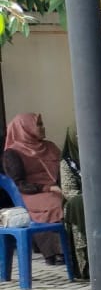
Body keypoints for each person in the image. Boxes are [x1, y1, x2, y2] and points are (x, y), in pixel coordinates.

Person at [2, 113, 66, 263]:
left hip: (57, 189)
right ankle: (56, 251)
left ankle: (75, 250)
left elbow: (64, 168)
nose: (43, 128)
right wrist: (48, 188)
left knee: (76, 201)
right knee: (57, 205)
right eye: (38, 124)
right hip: (30, 193)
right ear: (25, 128)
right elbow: (19, 184)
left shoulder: (49, 147)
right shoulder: (12, 153)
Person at [58, 127, 89, 276]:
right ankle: (86, 265)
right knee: (78, 204)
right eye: (77, 135)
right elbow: (69, 191)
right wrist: (92, 199)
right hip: (79, 202)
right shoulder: (67, 162)